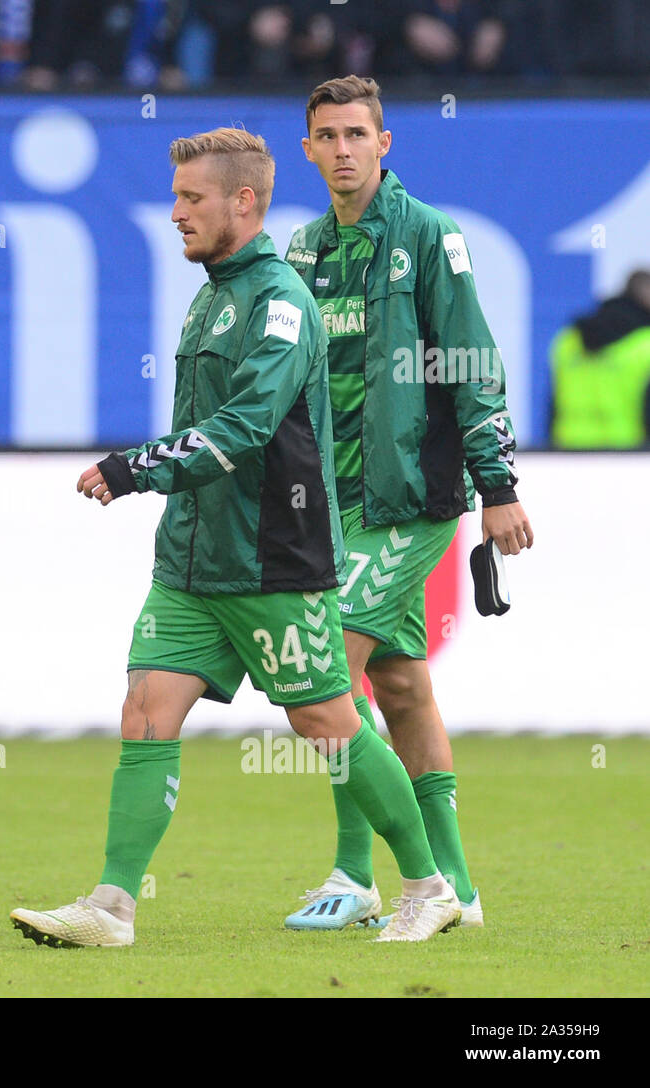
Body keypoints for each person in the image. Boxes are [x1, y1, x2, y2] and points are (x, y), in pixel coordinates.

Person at [10, 127, 461, 947]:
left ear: (242, 202)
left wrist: (135, 468)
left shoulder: (282, 300)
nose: (176, 212)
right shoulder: (214, 291)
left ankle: (428, 887)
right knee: (146, 711)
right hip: (192, 558)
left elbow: (247, 425)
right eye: (176, 196)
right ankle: (112, 907)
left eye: (192, 198)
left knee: (327, 723)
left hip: (272, 556)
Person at [283, 75, 533, 931]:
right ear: (308, 148)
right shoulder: (304, 252)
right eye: (328, 135)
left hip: (410, 501)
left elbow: (471, 362)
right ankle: (459, 889)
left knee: (322, 675)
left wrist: (496, 488)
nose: (344, 148)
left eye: (359, 133)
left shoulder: (429, 236)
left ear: (384, 144)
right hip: (328, 506)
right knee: (398, 683)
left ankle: (360, 873)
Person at [550, 269, 650, 449]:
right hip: (627, 453)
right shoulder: (645, 343)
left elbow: (553, 406)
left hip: (568, 450)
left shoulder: (569, 339)